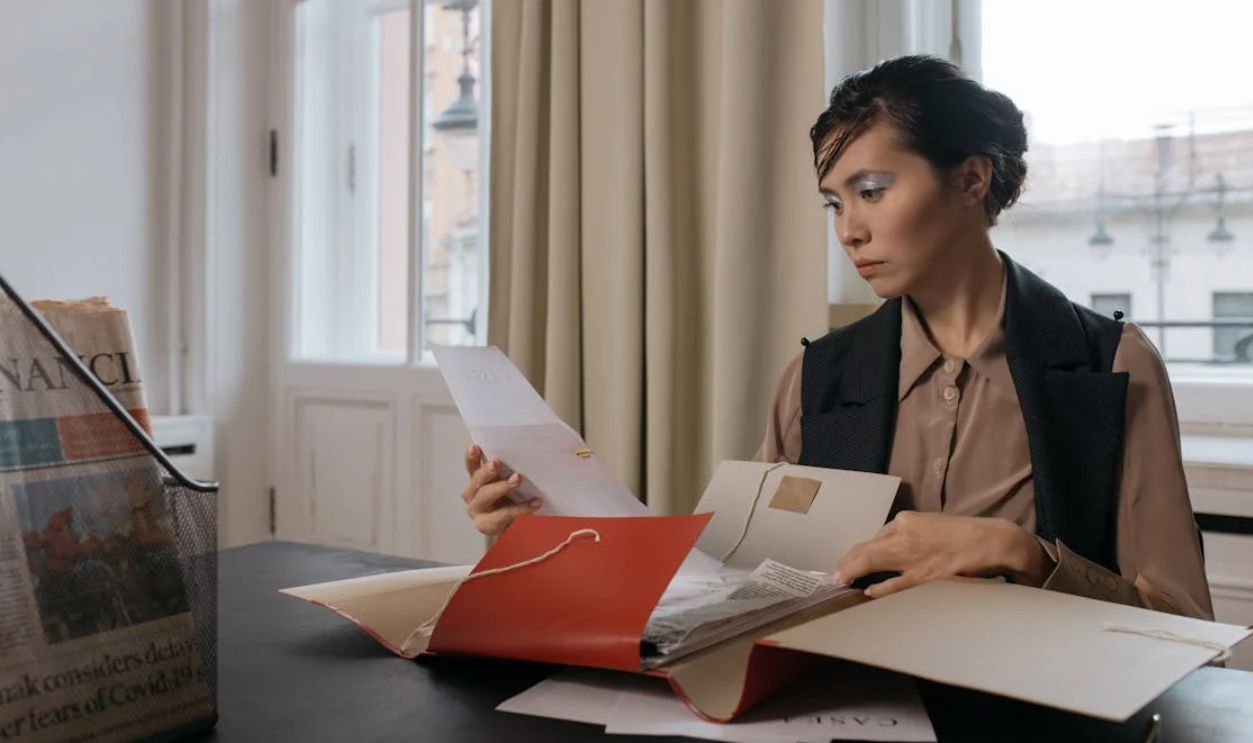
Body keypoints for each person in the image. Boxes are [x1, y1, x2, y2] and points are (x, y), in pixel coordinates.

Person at [460, 55, 1212, 620]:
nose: (849, 229)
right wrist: (549, 533)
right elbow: (726, 584)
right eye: (833, 202)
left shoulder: (1108, 367)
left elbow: (1181, 622)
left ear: (971, 180)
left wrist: (1023, 555)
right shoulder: (815, 378)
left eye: (872, 190)